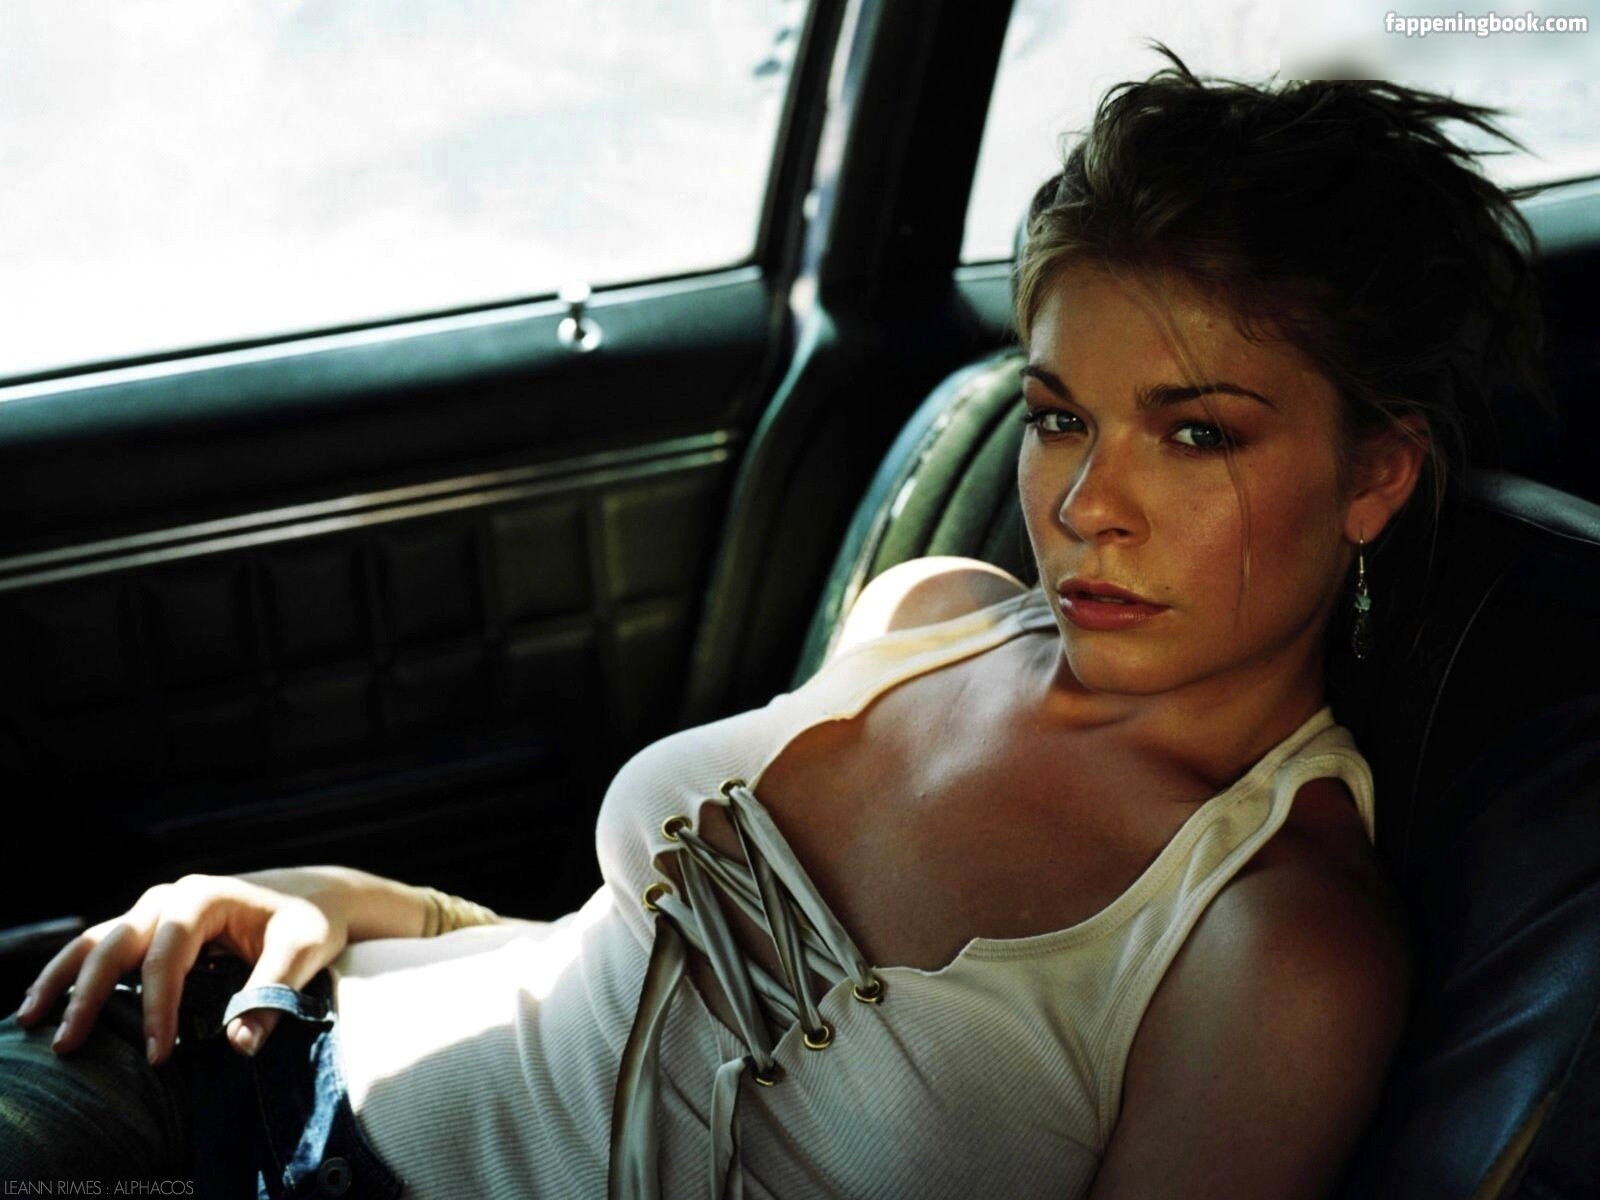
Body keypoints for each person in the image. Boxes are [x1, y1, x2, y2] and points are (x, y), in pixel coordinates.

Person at [1, 47, 1549, 1199]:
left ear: (1376, 474)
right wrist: (342, 901)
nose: (1088, 505)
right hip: (234, 1042)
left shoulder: (1272, 947)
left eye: (1195, 433)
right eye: (1060, 416)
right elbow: (615, 975)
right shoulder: (936, 613)